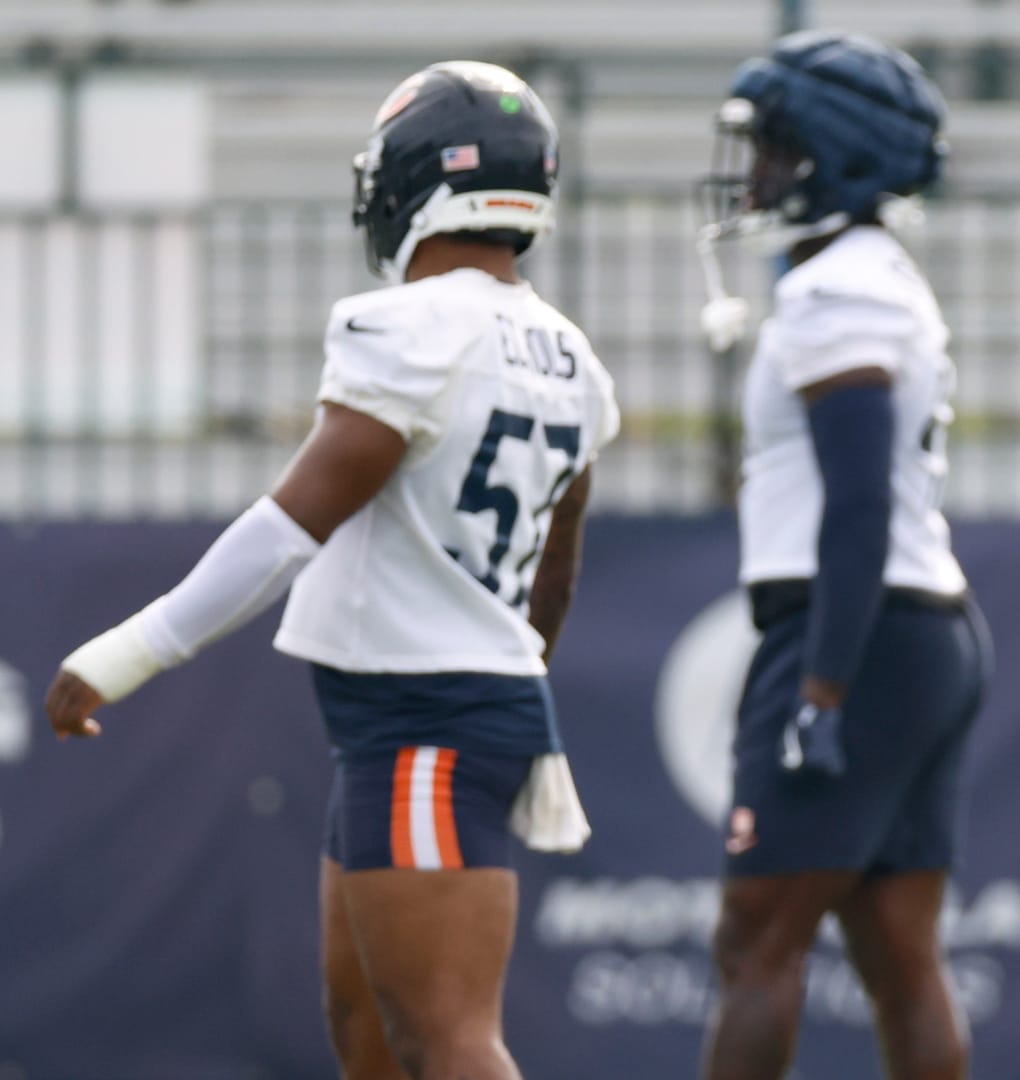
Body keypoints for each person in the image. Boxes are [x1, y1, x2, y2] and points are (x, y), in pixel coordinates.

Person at [43, 61, 619, 1080]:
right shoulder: (575, 357)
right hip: (430, 715)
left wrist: (127, 654)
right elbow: (554, 575)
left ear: (414, 184)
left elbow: (285, 530)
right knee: (363, 1023)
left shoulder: (408, 328)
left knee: (445, 1038)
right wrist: (501, 684)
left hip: (423, 719)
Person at [695, 30, 992, 1080]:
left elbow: (858, 501)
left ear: (833, 152)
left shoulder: (838, 292)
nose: (757, 169)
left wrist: (822, 685)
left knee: (755, 943)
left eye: (774, 144)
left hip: (855, 630)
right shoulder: (864, 275)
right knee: (897, 953)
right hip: (914, 625)